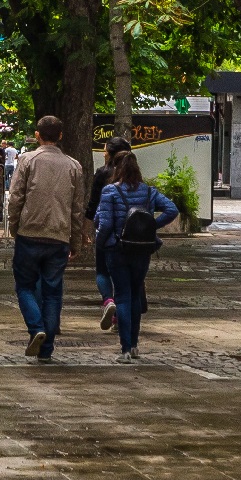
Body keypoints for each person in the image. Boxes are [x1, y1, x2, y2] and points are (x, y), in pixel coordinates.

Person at [5, 115, 86, 360]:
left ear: (37, 135)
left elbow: (16, 196)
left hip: (30, 233)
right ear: (60, 136)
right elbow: (77, 207)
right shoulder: (74, 166)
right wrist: (76, 240)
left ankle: (36, 327)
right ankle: (46, 347)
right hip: (59, 235)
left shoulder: (28, 160)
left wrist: (14, 226)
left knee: (25, 286)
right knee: (52, 292)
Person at [93, 149, 176, 357]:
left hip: (117, 249)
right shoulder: (149, 192)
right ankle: (135, 345)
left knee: (121, 296)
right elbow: (172, 209)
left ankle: (125, 348)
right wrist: (150, 227)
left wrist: (101, 243)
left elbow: (104, 224)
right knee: (135, 294)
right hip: (142, 250)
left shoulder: (110, 192)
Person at [89, 137, 131, 330]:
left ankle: (108, 301)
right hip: (131, 235)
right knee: (125, 277)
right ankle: (123, 318)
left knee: (102, 271)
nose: (103, 153)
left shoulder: (102, 175)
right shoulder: (134, 176)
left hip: (107, 233)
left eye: (105, 150)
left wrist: (87, 229)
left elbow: (93, 205)